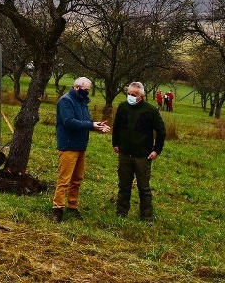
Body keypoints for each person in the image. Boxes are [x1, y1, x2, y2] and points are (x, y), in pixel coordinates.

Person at [52, 76, 110, 222]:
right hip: (68, 145)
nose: (87, 92)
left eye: (89, 90)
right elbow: (69, 122)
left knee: (77, 179)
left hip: (81, 145)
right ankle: (57, 209)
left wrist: (97, 126)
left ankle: (72, 206)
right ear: (77, 87)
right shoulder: (66, 101)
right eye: (86, 90)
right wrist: (91, 125)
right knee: (64, 179)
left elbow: (84, 122)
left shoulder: (83, 102)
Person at [112, 81, 166, 221]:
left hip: (143, 156)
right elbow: (116, 126)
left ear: (141, 96)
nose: (130, 96)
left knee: (144, 188)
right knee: (124, 186)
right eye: (128, 94)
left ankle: (146, 217)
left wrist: (157, 150)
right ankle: (121, 214)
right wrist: (115, 143)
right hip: (124, 154)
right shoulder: (123, 107)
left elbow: (161, 131)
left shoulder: (150, 110)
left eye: (133, 95)